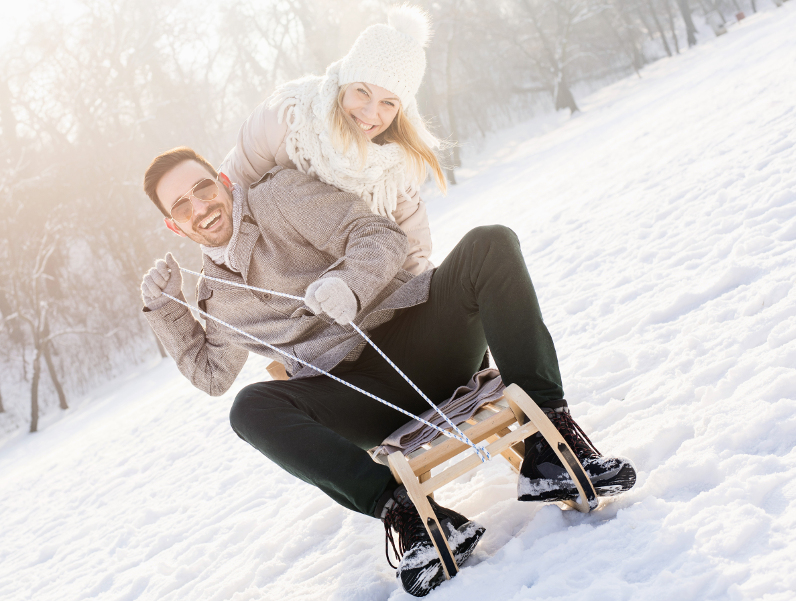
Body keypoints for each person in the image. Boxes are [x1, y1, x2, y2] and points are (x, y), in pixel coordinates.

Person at [138, 148, 637, 596]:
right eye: (181, 205)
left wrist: (350, 286)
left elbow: (377, 234)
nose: (200, 207)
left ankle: (552, 447)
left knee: (490, 242)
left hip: (420, 340)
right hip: (355, 399)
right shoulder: (212, 296)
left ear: (222, 182)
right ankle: (411, 518)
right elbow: (211, 376)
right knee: (249, 408)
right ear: (173, 226)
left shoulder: (280, 198)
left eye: (202, 188)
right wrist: (164, 308)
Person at [220, 5, 441, 277]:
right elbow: (232, 192)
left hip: (357, 284)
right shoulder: (288, 117)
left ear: (400, 110)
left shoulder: (395, 161)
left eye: (387, 103)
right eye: (362, 91)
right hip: (282, 273)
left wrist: (419, 299)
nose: (371, 113)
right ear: (344, 84)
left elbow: (410, 246)